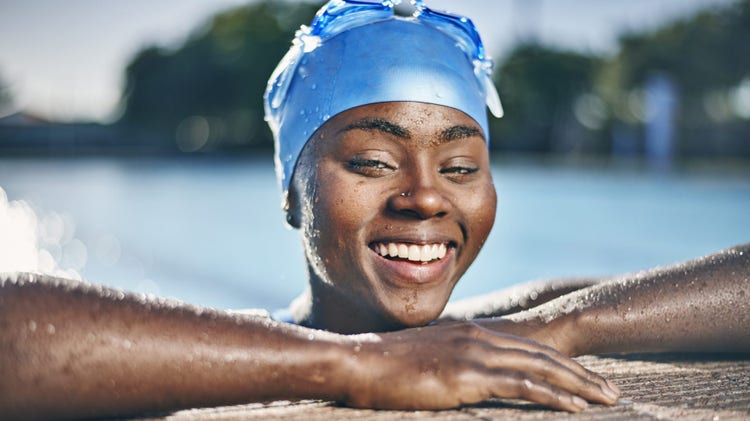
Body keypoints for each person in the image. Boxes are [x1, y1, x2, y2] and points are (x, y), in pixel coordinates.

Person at [1, 1, 748, 419]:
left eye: (460, 166)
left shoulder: (492, 327)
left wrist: (566, 325)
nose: (426, 195)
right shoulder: (235, 345)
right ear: (291, 193)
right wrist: (358, 366)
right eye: (372, 162)